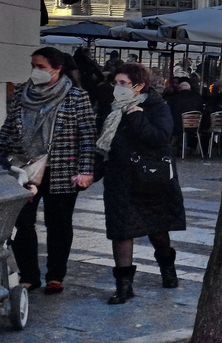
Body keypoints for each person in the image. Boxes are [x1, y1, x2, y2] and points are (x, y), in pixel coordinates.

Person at [0, 47, 96, 293]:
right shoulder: (22, 92)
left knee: (59, 223)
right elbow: (9, 128)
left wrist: (86, 170)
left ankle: (56, 275)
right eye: (33, 65)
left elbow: (87, 136)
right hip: (25, 168)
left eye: (41, 67)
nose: (36, 71)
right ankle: (29, 275)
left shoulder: (76, 97)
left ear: (57, 68)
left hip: (62, 169)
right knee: (21, 222)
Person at [97, 63, 187, 304]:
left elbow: (160, 138)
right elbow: (102, 142)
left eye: (123, 83)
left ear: (139, 86)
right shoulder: (111, 108)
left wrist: (136, 116)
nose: (117, 88)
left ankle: (167, 267)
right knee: (121, 231)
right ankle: (123, 287)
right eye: (115, 83)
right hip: (119, 178)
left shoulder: (157, 106)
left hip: (150, 179)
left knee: (158, 230)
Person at [164, 77, 203, 148]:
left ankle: (170, 146)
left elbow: (168, 109)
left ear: (179, 89)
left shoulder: (175, 98)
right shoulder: (198, 97)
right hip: (196, 126)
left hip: (178, 126)